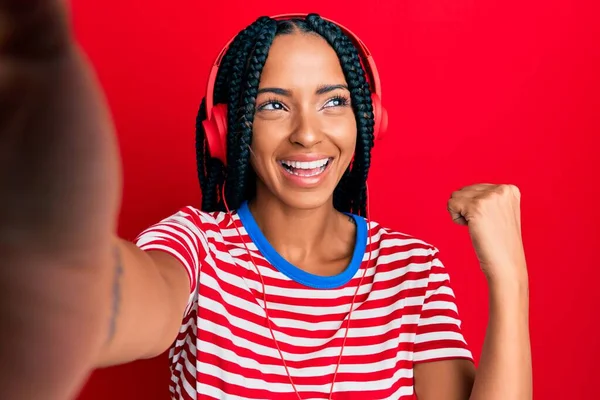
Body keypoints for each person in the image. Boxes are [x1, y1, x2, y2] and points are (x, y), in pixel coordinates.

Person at [0, 3, 532, 400]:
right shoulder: (196, 247)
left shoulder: (410, 270)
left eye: (333, 102)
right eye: (274, 105)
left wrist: (510, 278)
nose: (307, 134)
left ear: (367, 121)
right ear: (226, 132)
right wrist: (53, 275)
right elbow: (128, 298)